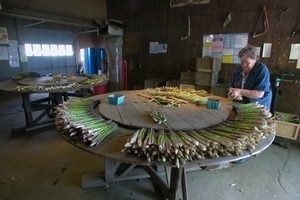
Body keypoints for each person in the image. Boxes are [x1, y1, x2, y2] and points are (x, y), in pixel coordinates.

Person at [228, 44, 272, 111]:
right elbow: (231, 87)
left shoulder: (262, 70)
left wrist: (239, 91)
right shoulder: (238, 69)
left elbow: (259, 94)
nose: (244, 65)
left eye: (248, 63)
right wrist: (233, 93)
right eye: (242, 62)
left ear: (255, 60)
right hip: (241, 105)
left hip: (258, 107)